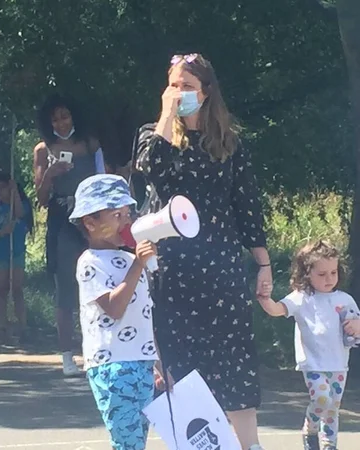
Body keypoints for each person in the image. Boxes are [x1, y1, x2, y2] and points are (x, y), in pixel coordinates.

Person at [133, 53, 271, 450]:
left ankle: (250, 445)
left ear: (206, 92)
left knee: (234, 361)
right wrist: (165, 116)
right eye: (173, 85)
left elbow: (247, 205)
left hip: (221, 267)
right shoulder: (152, 134)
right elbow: (148, 169)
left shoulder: (228, 141)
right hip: (171, 268)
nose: (178, 94)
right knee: (180, 362)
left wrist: (262, 263)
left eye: (187, 87)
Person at [69, 174, 168, 449]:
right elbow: (114, 308)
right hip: (112, 365)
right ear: (90, 222)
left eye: (127, 213)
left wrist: (159, 363)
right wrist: (137, 265)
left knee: (136, 440)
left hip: (142, 362)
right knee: (127, 442)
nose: (126, 221)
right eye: (116, 215)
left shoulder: (128, 257)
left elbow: (144, 316)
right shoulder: (90, 262)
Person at [257, 240, 360, 450]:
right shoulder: (302, 298)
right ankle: (310, 428)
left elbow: (356, 327)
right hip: (312, 363)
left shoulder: (345, 299)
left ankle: (329, 444)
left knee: (333, 407)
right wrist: (265, 298)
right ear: (307, 274)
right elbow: (277, 310)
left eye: (333, 272)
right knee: (322, 399)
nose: (329, 278)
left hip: (339, 363)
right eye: (322, 274)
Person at [33, 94, 106, 376]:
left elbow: (102, 180)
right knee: (65, 285)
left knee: (98, 281)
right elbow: (40, 197)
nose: (61, 123)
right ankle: (67, 354)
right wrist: (50, 174)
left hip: (92, 218)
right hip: (62, 218)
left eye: (65, 116)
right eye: (55, 119)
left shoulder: (90, 144)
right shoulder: (43, 149)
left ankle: (95, 348)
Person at [0, 173, 33, 342]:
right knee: (1, 289)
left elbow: (21, 214)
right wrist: (3, 232)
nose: (0, 192)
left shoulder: (19, 206)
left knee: (17, 289)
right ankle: (2, 323)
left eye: (3, 188)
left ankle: (22, 324)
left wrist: (14, 192)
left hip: (17, 252)